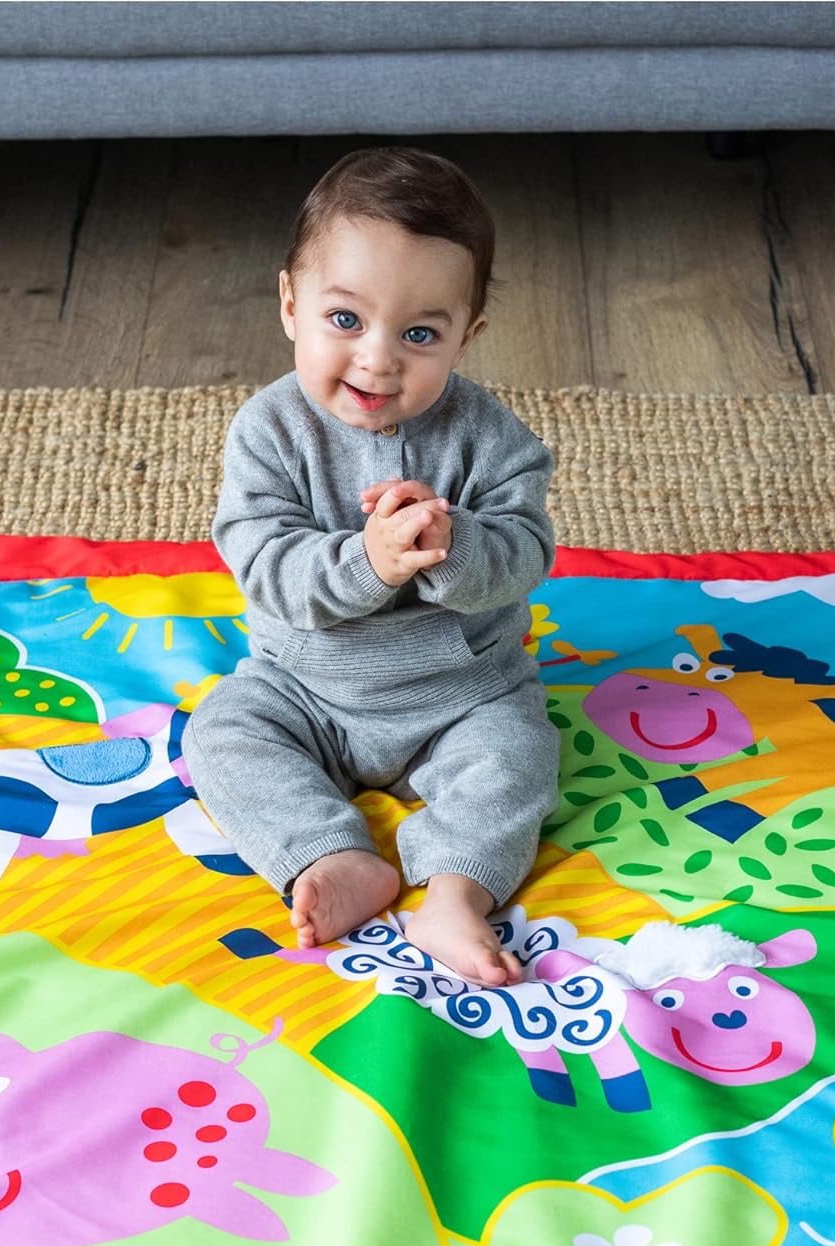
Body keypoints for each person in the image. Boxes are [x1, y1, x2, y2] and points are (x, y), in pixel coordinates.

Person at [183, 147, 559, 987]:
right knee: (220, 733)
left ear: (467, 336)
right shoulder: (269, 431)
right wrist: (369, 561)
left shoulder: (492, 438)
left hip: (463, 694)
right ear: (291, 305)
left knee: (519, 758)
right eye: (346, 319)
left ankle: (455, 893)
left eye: (420, 334)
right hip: (305, 690)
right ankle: (332, 854)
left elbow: (527, 552)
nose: (378, 359)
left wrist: (454, 544)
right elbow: (264, 563)